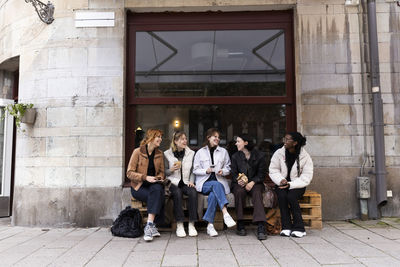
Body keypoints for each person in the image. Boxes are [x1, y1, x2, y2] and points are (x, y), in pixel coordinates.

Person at [269, 132, 313, 238]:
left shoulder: (305, 156)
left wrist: (290, 184)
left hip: (297, 185)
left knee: (291, 197)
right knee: (282, 196)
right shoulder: (279, 153)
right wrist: (281, 180)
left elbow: (307, 176)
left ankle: (299, 228)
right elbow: (273, 170)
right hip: (281, 183)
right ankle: (286, 227)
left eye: (287, 140)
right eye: (285, 138)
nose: (284, 141)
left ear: (295, 143)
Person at [193, 128, 236, 237]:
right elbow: (195, 170)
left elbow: (228, 167)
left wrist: (223, 171)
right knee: (216, 185)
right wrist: (205, 171)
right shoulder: (200, 152)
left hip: (219, 181)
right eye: (215, 137)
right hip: (204, 183)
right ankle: (225, 213)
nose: (217, 139)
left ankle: (210, 226)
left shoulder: (223, 152)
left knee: (213, 195)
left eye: (218, 137)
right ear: (208, 138)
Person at [126, 129, 165, 242]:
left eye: (161, 137)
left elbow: (162, 173)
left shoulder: (159, 154)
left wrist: (157, 178)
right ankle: (151, 226)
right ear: (151, 138)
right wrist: (145, 177)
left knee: (157, 189)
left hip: (153, 185)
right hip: (139, 187)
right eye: (158, 137)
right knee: (158, 195)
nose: (160, 139)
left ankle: (149, 224)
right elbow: (129, 173)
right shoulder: (137, 152)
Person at [231, 134, 267, 240]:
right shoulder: (235, 156)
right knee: (239, 192)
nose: (236, 143)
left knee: (256, 193)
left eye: (238, 141)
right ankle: (240, 223)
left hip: (256, 183)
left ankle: (261, 225)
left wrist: (253, 182)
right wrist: (239, 180)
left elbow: (262, 173)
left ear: (245, 143)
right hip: (239, 183)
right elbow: (233, 173)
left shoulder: (259, 155)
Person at [164, 131, 198, 237]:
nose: (185, 141)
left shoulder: (191, 153)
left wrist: (192, 181)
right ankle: (179, 224)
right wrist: (171, 170)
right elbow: (164, 171)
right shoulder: (166, 154)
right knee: (177, 193)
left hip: (186, 181)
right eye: (182, 139)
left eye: (185, 139)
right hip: (173, 182)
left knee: (193, 192)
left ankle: (192, 224)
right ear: (175, 141)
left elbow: (193, 170)